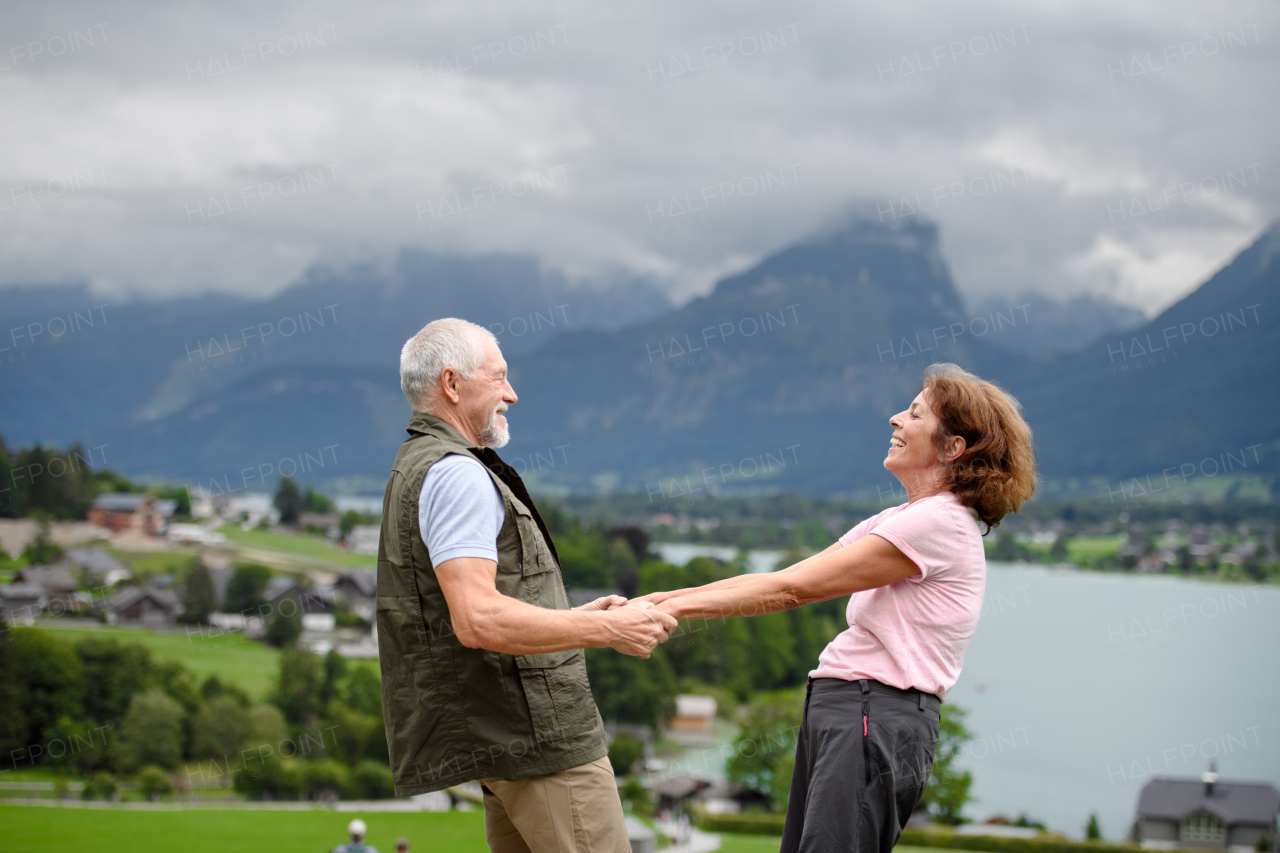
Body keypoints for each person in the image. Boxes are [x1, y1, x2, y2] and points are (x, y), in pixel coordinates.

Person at [634, 363, 1037, 852]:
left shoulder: (939, 524)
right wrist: (655, 602)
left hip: (872, 713)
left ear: (953, 447)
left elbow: (793, 593)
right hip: (854, 710)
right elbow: (781, 579)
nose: (894, 419)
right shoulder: (903, 518)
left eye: (914, 414)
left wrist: (666, 611)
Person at [377, 318, 677, 853]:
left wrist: (579, 615)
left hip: (503, 740)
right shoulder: (457, 473)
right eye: (499, 377)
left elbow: (466, 606)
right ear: (452, 383)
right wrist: (602, 628)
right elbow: (476, 618)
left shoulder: (416, 465)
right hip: (541, 739)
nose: (511, 395)